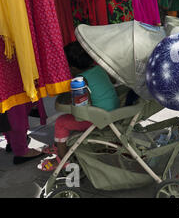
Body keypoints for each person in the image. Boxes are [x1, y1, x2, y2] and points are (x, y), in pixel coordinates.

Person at [38, 42, 120, 171]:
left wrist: (68, 95)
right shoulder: (99, 69)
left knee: (61, 122)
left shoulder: (81, 80)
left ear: (73, 68)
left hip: (97, 119)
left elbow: (80, 106)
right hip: (113, 111)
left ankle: (62, 158)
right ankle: (59, 144)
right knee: (70, 118)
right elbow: (113, 81)